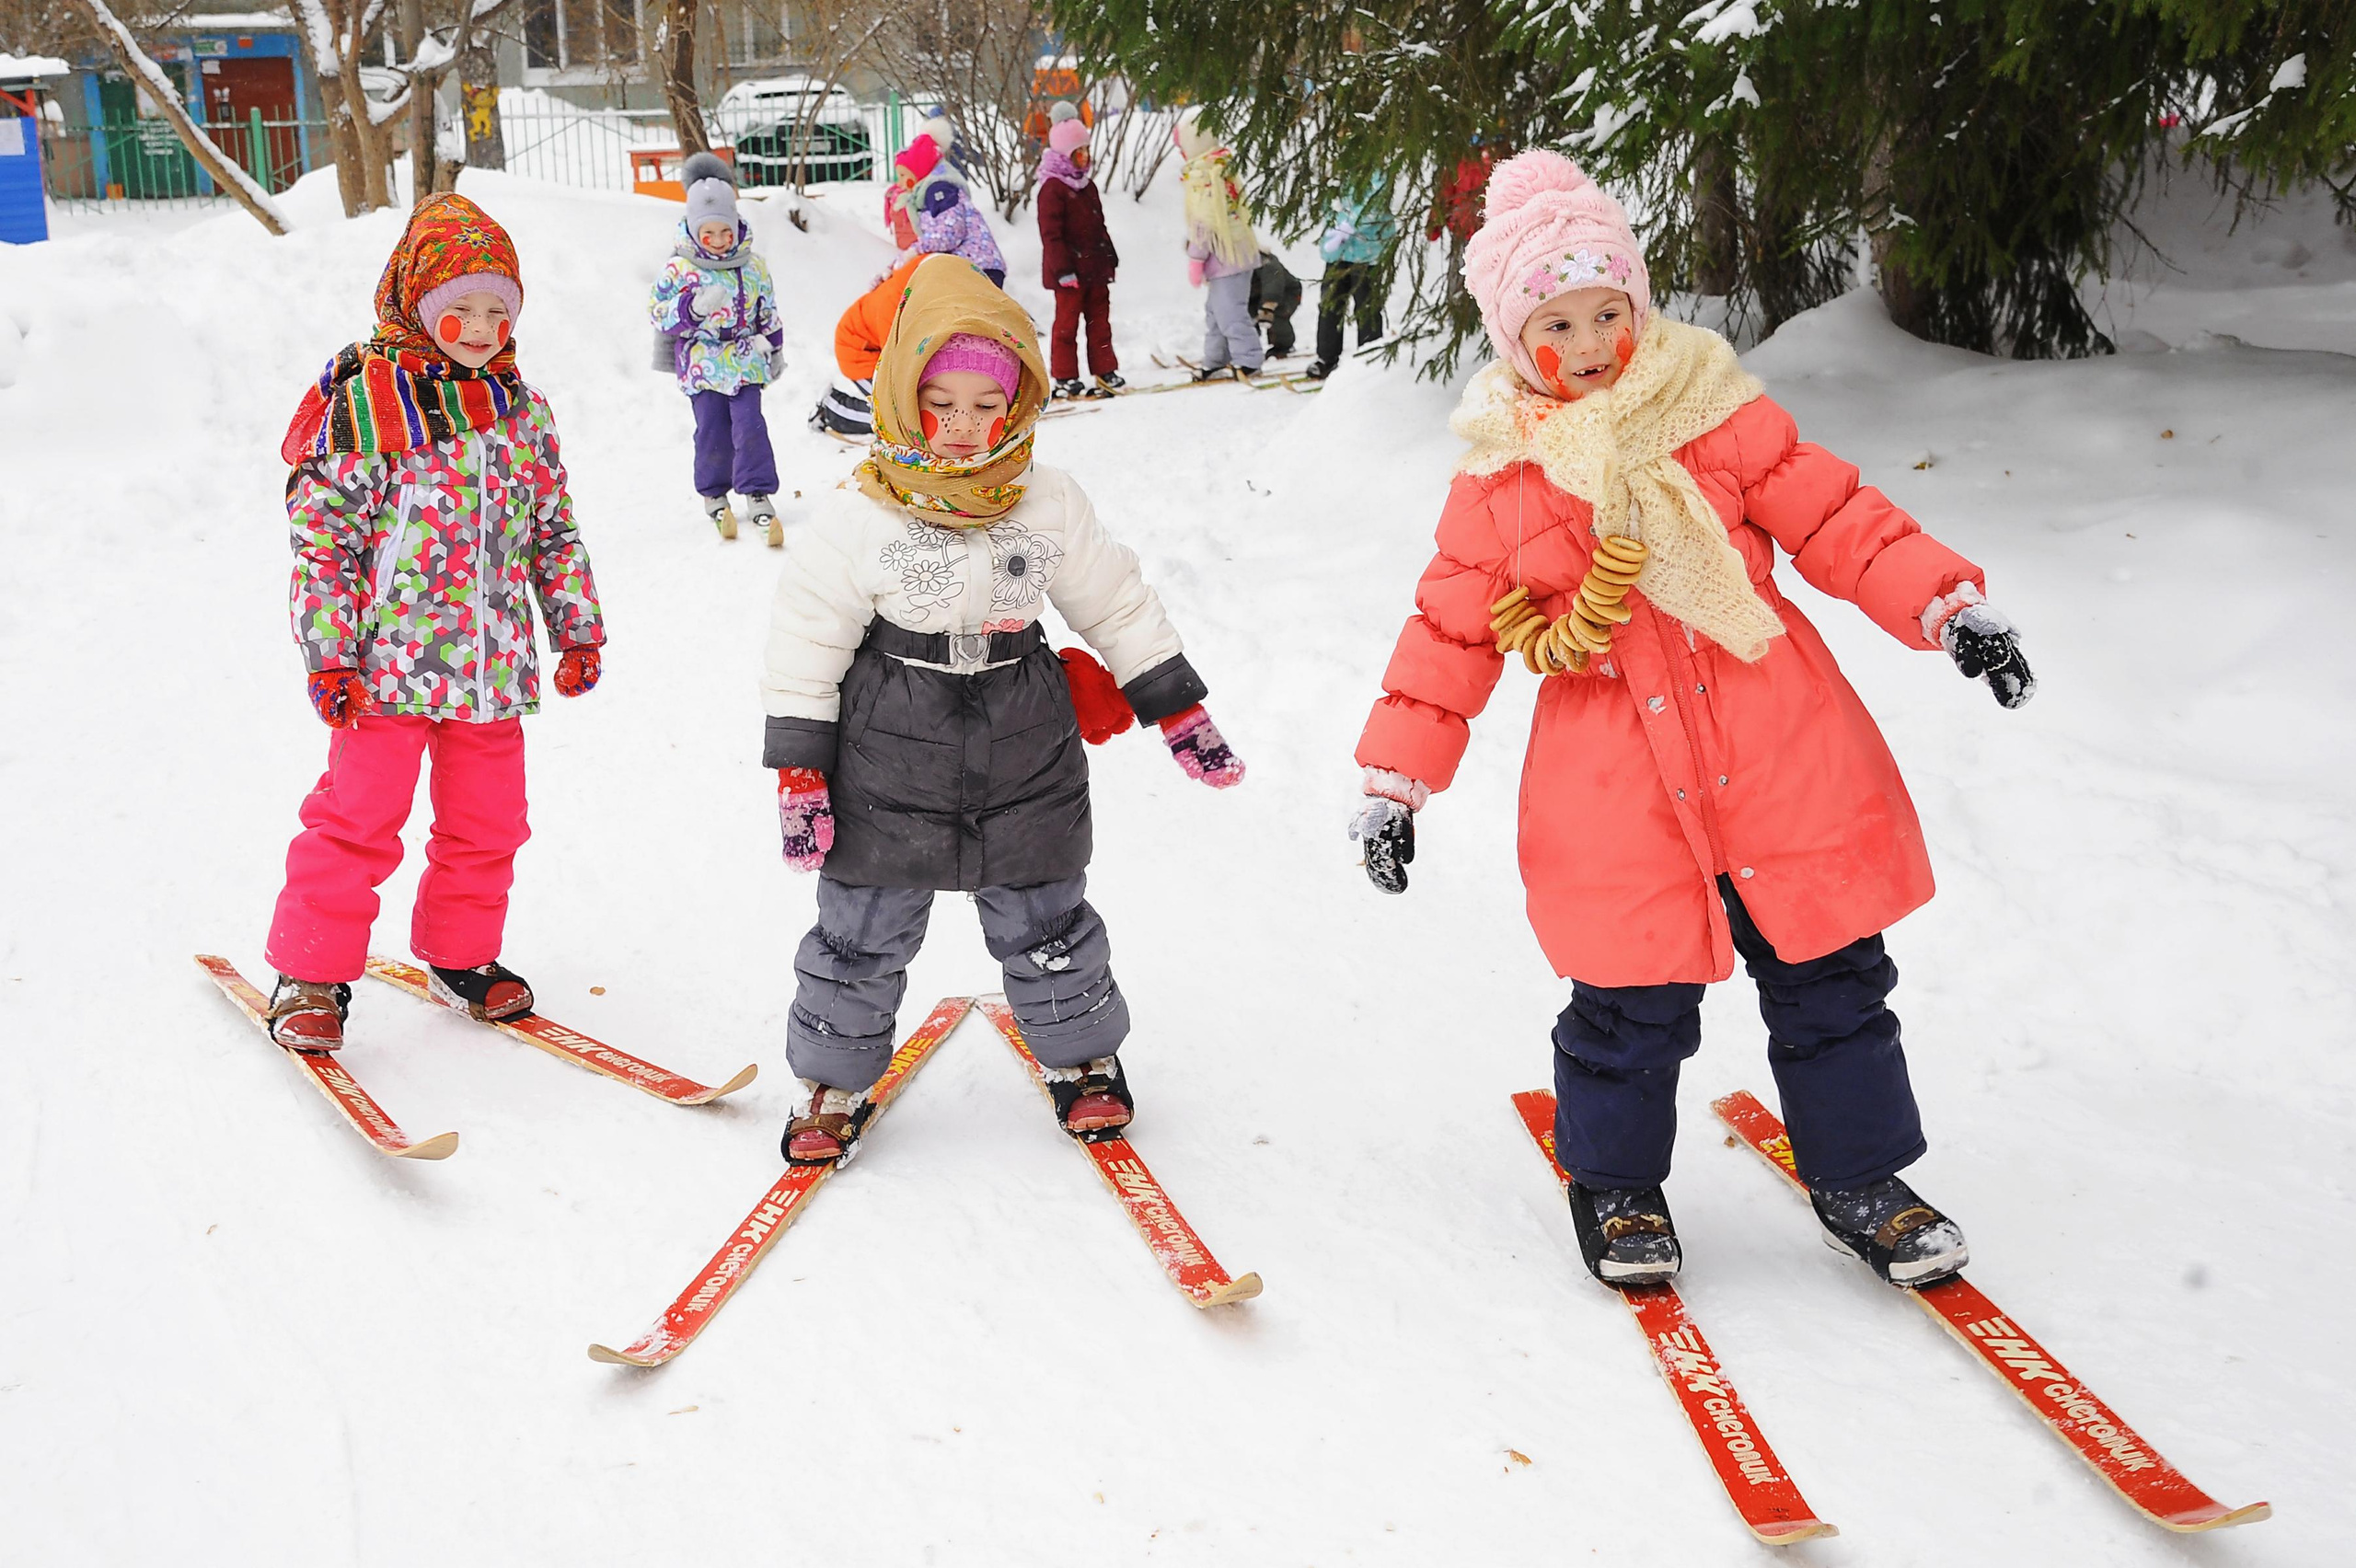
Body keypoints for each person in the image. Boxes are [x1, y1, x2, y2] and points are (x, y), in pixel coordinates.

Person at [1348, 151, 2038, 1292]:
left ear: (1639, 303)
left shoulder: (1715, 414)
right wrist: (1393, 779)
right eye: (1555, 325)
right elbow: (1448, 639)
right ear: (1517, 341)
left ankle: (1863, 1177)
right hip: (1613, 784)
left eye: (1607, 312)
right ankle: (1617, 1185)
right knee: (1629, 1000)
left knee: (1833, 978)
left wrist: (1945, 606)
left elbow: (1839, 520)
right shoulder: (1503, 482)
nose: (1587, 347)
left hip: (1778, 749)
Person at [759, 255, 1245, 1164]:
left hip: (1026, 739)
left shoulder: (1047, 499)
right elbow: (805, 639)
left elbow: (1114, 597)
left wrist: (1175, 705)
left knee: (1046, 914)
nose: (961, 428)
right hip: (888, 744)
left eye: (987, 407)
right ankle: (831, 1079)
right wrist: (799, 767)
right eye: (939, 403)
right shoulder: (861, 514)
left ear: (1019, 405)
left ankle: (1082, 1059)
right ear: (904, 396)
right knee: (861, 924)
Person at [260, 193, 605, 1051]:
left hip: (491, 670)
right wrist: (330, 654)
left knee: (490, 823)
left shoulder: (522, 411)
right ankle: (310, 972)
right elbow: (326, 544)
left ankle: (461, 955)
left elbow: (552, 529)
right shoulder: (371, 406)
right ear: (419, 306)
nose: (482, 327)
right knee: (358, 818)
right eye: (461, 310)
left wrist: (576, 627)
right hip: (384, 671)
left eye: (498, 309)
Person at [648, 156, 786, 544]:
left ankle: (757, 490)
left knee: (750, 426)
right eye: (709, 234)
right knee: (712, 430)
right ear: (695, 232)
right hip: (702, 362)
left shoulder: (753, 266)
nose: (720, 241)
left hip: (744, 359)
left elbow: (768, 312)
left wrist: (774, 350)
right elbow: (657, 313)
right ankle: (714, 492)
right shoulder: (679, 268)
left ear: (736, 226)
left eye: (725, 231)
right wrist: (690, 309)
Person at [1035, 112, 1123, 398]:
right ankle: (1065, 376)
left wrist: (1110, 256)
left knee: (1100, 322)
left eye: (1086, 150)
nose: (1085, 157)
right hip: (1069, 273)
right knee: (1066, 325)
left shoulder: (1087, 186)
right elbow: (1051, 236)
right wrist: (1063, 271)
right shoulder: (1052, 188)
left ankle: (1105, 369)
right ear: (1064, 155)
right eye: (1078, 152)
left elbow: (1099, 225)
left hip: (1095, 269)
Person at [1174, 108, 1264, 381]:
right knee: (1215, 313)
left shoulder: (1206, 179)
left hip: (1229, 260)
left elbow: (1205, 225)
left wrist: (1195, 259)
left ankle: (1248, 360)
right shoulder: (1217, 169)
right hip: (1231, 258)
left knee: (1230, 314)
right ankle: (1215, 359)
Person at [810, 251, 926, 441]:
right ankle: (831, 409)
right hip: (857, 352)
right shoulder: (894, 303)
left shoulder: (915, 281)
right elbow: (896, 359)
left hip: (875, 348)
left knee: (912, 408)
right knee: (895, 413)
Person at [1307, 175, 1396, 379]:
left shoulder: (1376, 167)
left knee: (1366, 305)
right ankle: (1326, 357)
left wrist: (1349, 226)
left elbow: (1374, 205)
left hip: (1368, 249)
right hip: (1340, 249)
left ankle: (1367, 357)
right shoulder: (1343, 167)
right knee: (1330, 302)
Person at [901, 136, 1007, 287]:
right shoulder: (928, 193)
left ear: (919, 169)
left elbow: (950, 232)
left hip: (976, 267)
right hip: (973, 267)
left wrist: (914, 251)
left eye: (904, 175)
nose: (900, 183)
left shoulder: (939, 189)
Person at [1248, 255, 1303, 358]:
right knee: (1244, 317)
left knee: (1276, 314)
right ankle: (1247, 346)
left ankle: (1283, 345)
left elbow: (1274, 281)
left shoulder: (1264, 260)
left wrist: (1268, 305)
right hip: (1255, 296)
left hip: (1286, 292)